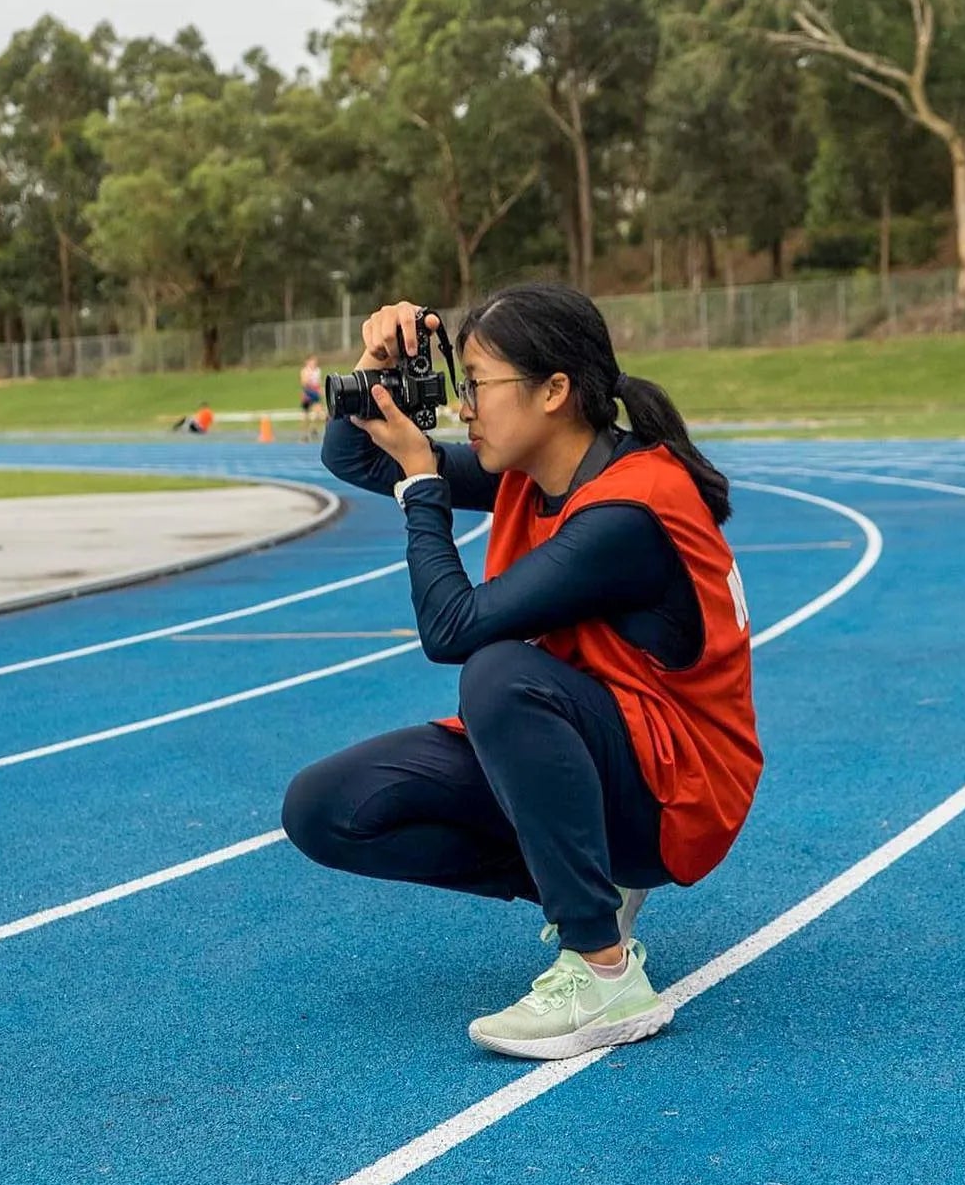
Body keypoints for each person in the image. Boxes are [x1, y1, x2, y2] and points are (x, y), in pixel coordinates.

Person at [283, 285, 761, 1060]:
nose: (463, 405)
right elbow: (347, 454)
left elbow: (454, 629)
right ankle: (588, 890)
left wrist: (423, 491)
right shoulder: (536, 467)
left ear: (554, 392)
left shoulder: (626, 513)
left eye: (476, 384)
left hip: (679, 790)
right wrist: (373, 368)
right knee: (326, 807)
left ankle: (603, 972)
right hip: (603, 746)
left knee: (499, 673)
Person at [299, 353, 324, 441]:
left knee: (320, 413)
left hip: (315, 394)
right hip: (308, 393)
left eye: (315, 361)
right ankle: (304, 434)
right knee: (306, 415)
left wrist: (320, 390)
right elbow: (304, 383)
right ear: (308, 362)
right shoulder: (305, 371)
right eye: (312, 361)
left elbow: (319, 382)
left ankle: (313, 428)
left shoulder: (317, 371)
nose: (314, 363)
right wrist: (309, 382)